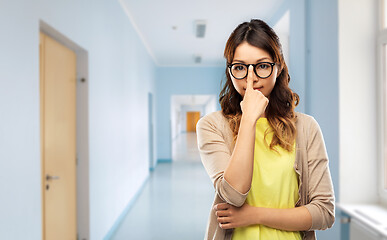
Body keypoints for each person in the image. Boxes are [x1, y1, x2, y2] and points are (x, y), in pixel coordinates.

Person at [196, 19, 335, 240]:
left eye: (261, 66)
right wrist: (249, 118)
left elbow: (324, 212)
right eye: (240, 67)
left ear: (278, 67)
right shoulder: (212, 126)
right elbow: (233, 194)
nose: (250, 79)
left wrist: (254, 215)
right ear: (230, 72)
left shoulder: (307, 128)